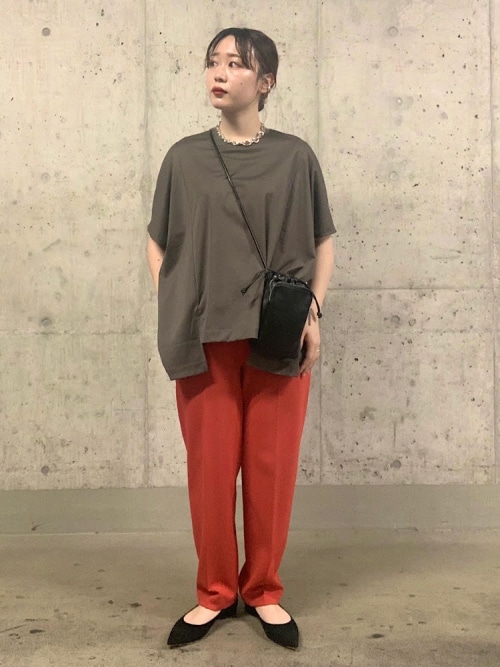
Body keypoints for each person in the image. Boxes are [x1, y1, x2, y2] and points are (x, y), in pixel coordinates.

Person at [146, 27, 335, 650]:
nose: (219, 73)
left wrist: (312, 313)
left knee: (270, 469)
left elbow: (322, 240)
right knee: (209, 471)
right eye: (213, 62)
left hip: (277, 332)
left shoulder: (296, 156)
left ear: (267, 81)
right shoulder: (183, 158)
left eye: (235, 63)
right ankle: (214, 593)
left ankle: (264, 591)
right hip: (204, 337)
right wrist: (176, 300)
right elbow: (157, 243)